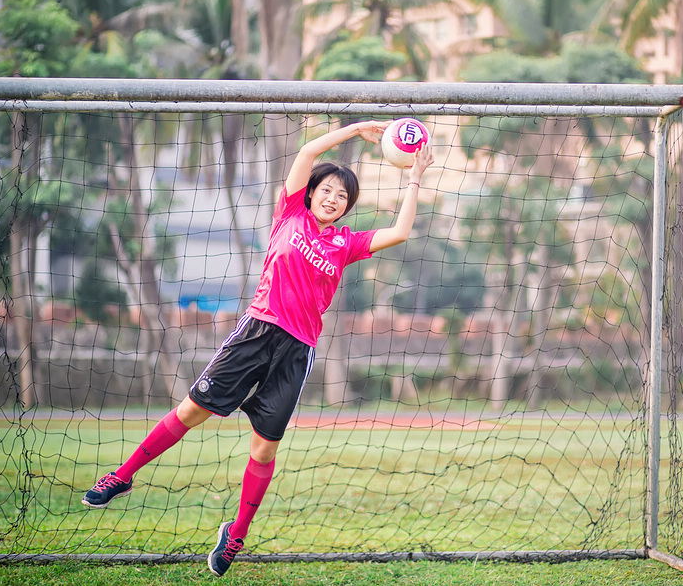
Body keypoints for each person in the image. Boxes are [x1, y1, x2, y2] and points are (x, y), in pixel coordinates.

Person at [82, 120, 434, 577]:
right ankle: (122, 476)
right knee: (191, 411)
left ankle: (236, 535)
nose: (333, 198)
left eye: (342, 196)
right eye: (327, 190)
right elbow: (307, 151)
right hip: (256, 333)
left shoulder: (347, 243)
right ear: (310, 193)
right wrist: (355, 130)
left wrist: (414, 178)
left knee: (264, 449)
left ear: (348, 208)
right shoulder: (289, 214)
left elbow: (400, 232)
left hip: (295, 353)